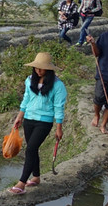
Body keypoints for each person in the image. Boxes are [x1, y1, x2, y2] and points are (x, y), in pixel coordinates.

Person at [7, 51, 66, 194]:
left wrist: (59, 127)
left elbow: (59, 107)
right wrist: (19, 116)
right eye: (36, 68)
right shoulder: (29, 80)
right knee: (32, 149)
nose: (39, 71)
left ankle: (21, 183)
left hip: (44, 121)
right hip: (29, 119)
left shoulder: (58, 86)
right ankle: (37, 177)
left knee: (31, 149)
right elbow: (26, 99)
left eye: (42, 68)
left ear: (49, 69)